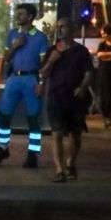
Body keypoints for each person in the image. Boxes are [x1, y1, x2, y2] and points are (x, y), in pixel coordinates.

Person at [0, 4, 50, 168]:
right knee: (4, 115)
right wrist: (15, 46)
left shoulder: (40, 38)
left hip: (32, 78)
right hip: (14, 77)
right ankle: (2, 147)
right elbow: (6, 57)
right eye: (18, 14)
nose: (18, 17)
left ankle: (33, 154)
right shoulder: (13, 34)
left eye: (21, 14)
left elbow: (45, 63)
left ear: (30, 17)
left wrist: (41, 82)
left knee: (33, 118)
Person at [39, 17, 94, 183]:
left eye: (63, 26)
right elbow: (43, 73)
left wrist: (83, 88)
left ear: (72, 28)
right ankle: (59, 170)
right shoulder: (52, 51)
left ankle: (70, 162)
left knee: (75, 136)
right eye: (58, 27)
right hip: (56, 97)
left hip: (75, 99)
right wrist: (52, 60)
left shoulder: (81, 51)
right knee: (56, 133)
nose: (60, 29)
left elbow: (89, 73)